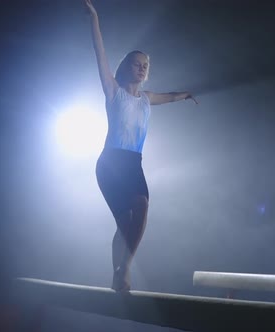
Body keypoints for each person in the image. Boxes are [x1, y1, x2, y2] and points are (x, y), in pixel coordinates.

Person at [83, 0, 199, 292]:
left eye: (145, 66)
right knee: (124, 220)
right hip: (110, 163)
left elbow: (170, 96)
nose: (142, 68)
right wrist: (94, 18)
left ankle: (123, 269)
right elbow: (100, 53)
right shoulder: (113, 91)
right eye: (137, 64)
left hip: (134, 163)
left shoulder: (147, 98)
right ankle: (120, 274)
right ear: (126, 67)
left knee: (141, 208)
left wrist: (187, 94)